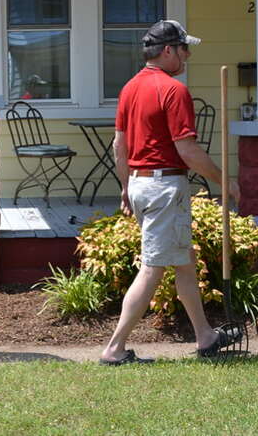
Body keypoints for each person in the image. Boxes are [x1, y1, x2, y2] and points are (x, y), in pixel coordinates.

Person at [100, 20, 242, 365]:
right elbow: (188, 151)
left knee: (184, 262)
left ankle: (205, 336)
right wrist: (226, 181)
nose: (188, 55)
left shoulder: (129, 88)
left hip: (140, 182)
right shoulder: (173, 90)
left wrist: (125, 187)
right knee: (153, 267)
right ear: (168, 50)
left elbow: (120, 146)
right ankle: (114, 349)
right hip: (164, 187)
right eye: (184, 48)